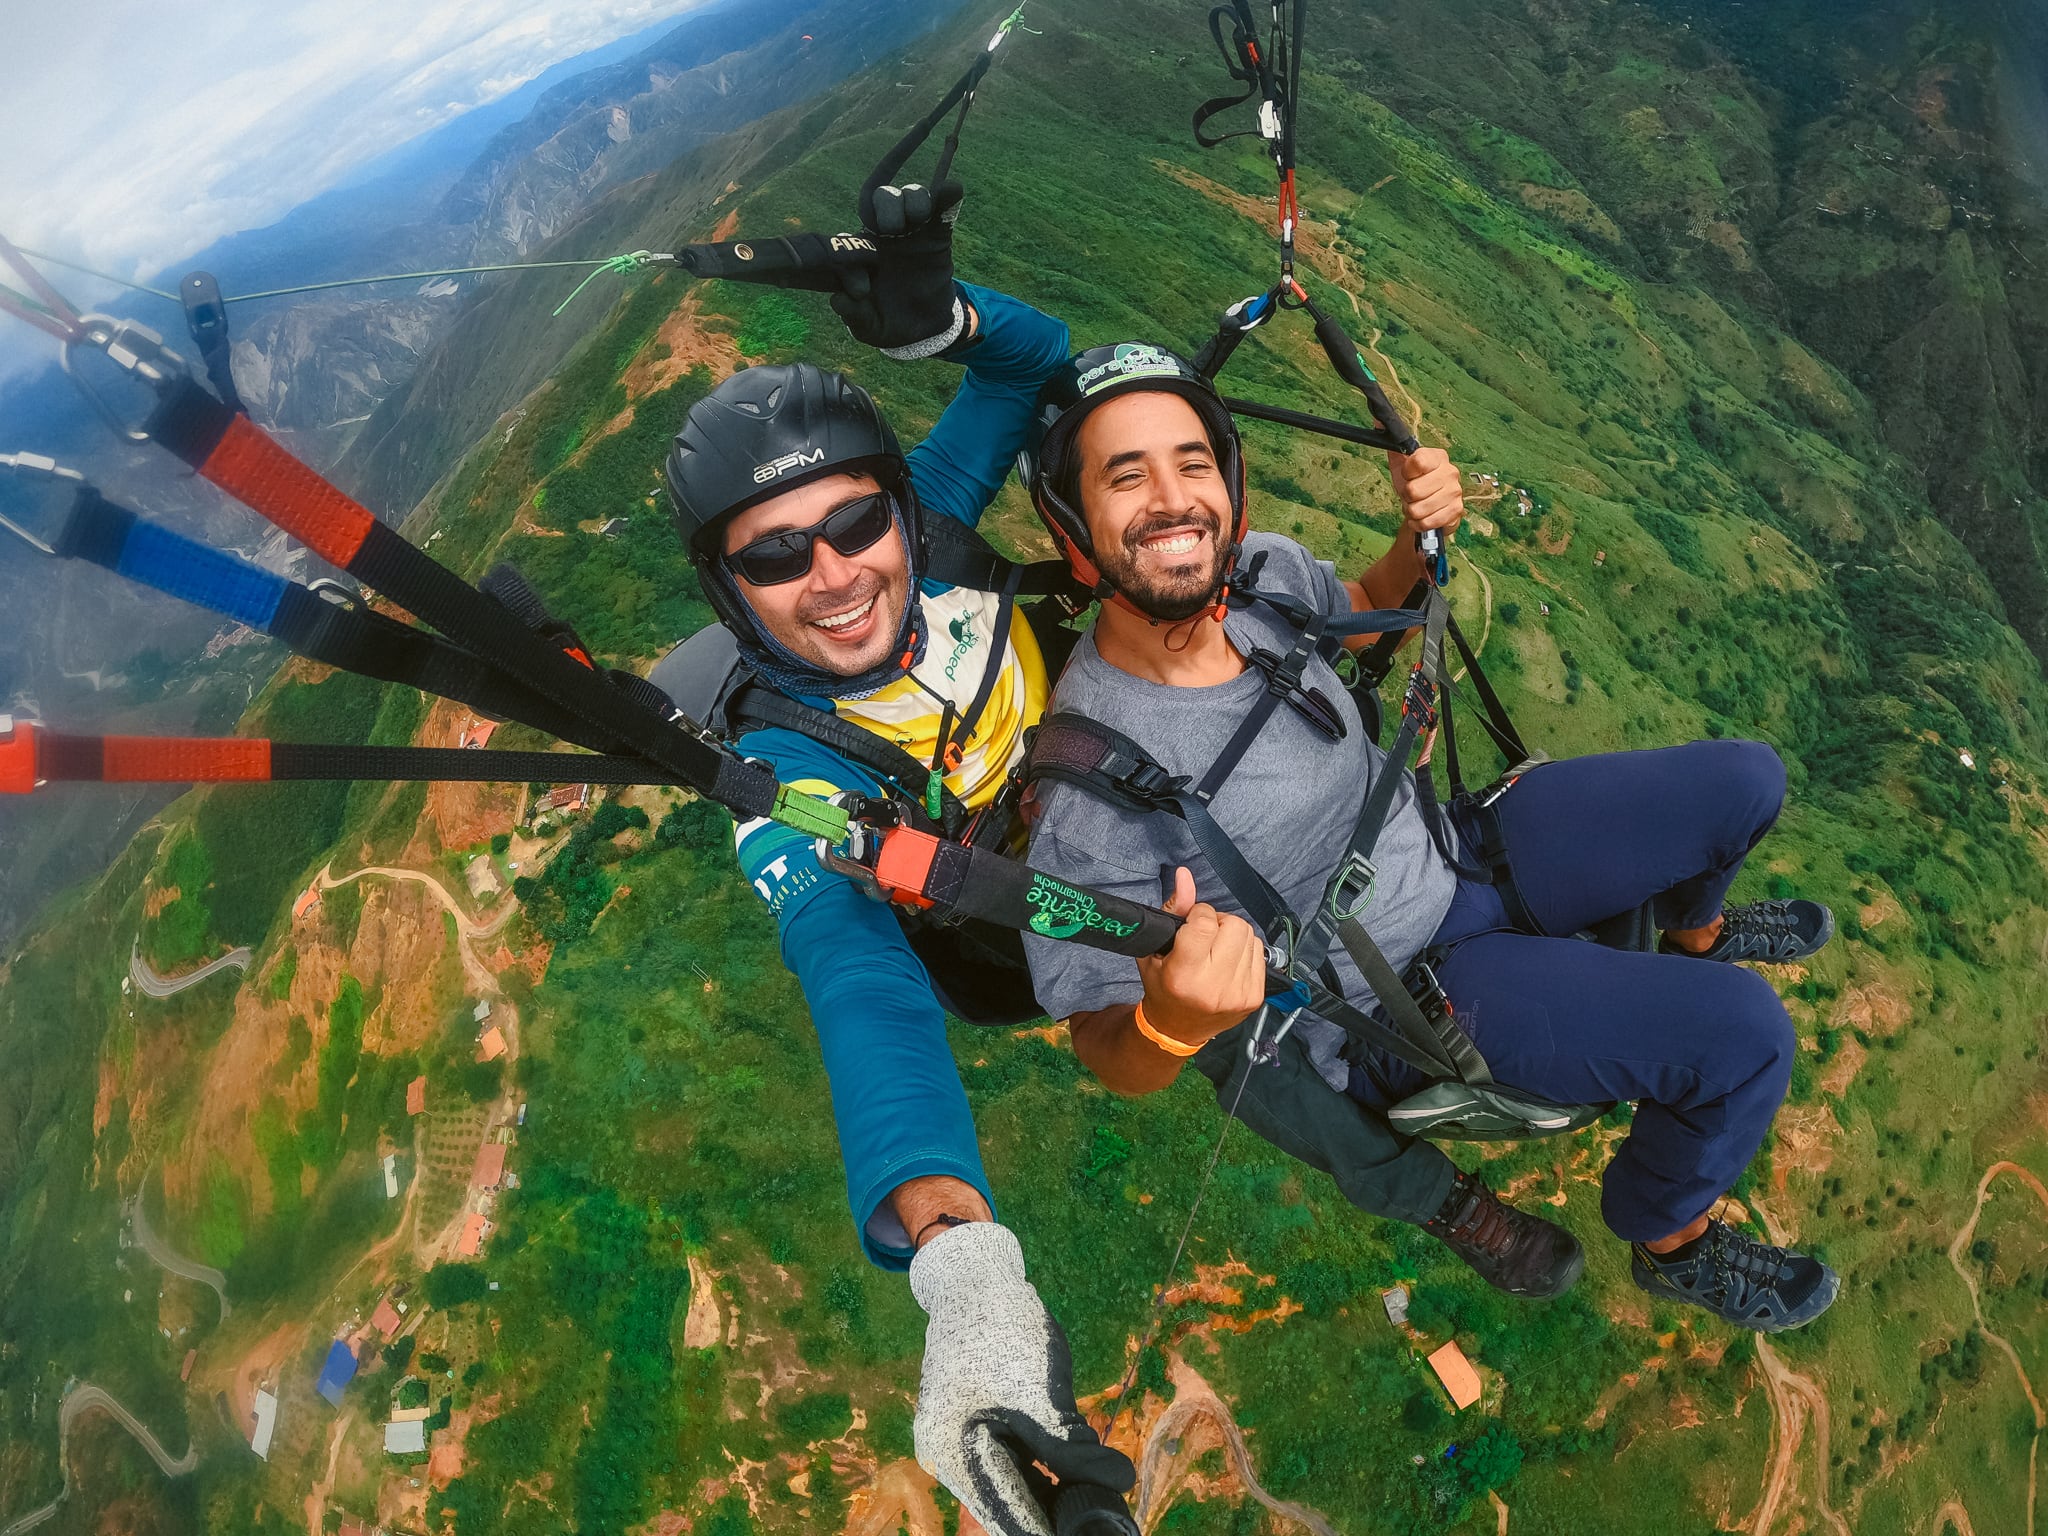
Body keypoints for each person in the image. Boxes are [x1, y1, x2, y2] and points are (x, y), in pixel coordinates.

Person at [1016, 341, 1843, 1332]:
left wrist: (1420, 535)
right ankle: (1670, 1237)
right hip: (1397, 992)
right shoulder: (1089, 787)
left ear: (1228, 482)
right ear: (1071, 525)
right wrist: (1171, 1022)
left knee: (1745, 782)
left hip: (1456, 847)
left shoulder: (1262, 574)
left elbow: (1361, 617)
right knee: (1744, 1037)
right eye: (1124, 474)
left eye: (1191, 462)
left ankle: (1695, 933)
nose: (1171, 497)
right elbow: (1096, 1041)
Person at [654, 185, 1132, 1535]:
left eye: (854, 525)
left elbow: (1042, 364)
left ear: (897, 511)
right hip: (1015, 935)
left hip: (1112, 812)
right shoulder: (785, 774)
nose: (837, 574)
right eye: (776, 554)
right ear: (728, 590)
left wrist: (939, 315)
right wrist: (963, 1268)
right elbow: (855, 975)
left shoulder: (939, 540)